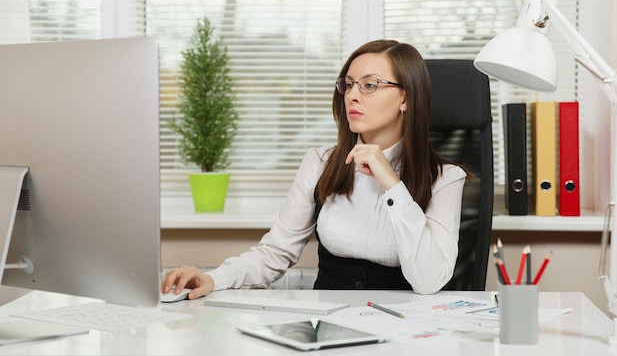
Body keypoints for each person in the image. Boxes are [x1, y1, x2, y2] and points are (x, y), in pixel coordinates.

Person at [162, 39, 466, 299]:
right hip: (325, 328)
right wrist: (213, 278)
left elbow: (428, 282)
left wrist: (393, 186)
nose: (353, 95)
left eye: (370, 85)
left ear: (406, 98)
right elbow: (275, 253)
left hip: (402, 335)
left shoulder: (445, 178)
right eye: (348, 85)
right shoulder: (321, 163)